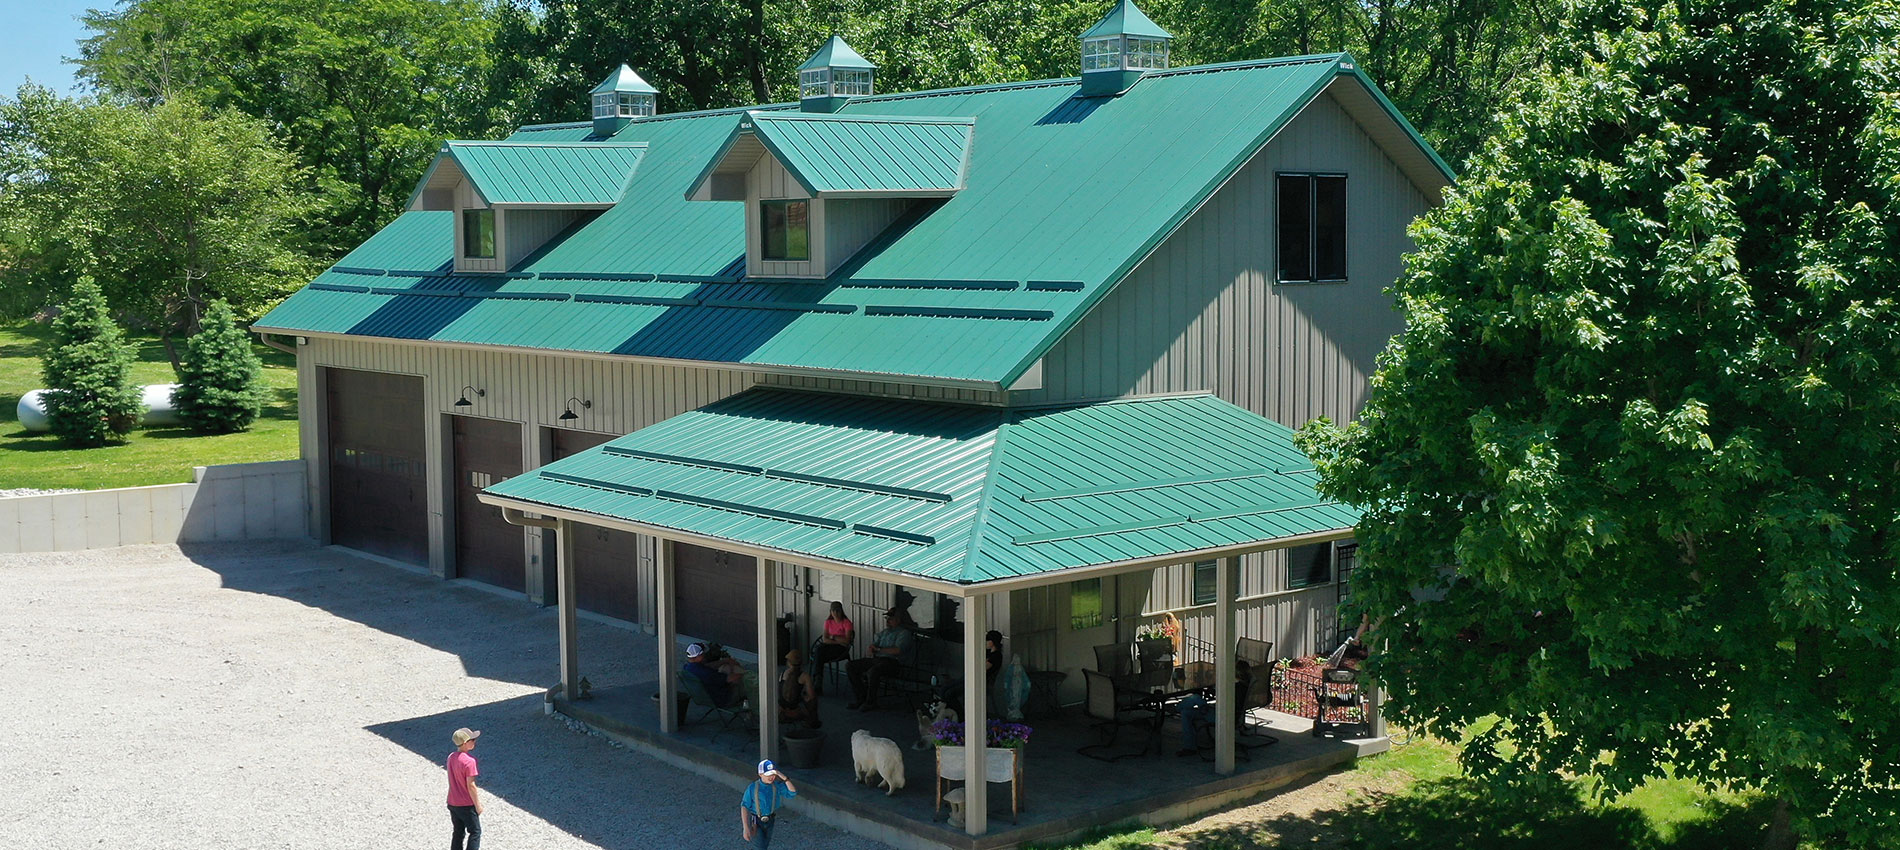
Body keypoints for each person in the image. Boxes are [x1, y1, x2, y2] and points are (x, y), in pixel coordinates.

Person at [845, 609, 915, 710]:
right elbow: (875, 644)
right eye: (887, 618)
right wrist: (872, 647)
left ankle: (871, 702)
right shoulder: (884, 632)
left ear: (898, 620)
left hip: (893, 663)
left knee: (874, 671)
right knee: (850, 665)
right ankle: (861, 698)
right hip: (877, 659)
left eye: (890, 619)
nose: (887, 621)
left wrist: (879, 649)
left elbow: (898, 650)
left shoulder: (904, 634)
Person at [739, 759, 798, 849]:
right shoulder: (752, 788)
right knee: (760, 846)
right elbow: (744, 806)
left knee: (765, 844)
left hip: (770, 819)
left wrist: (784, 778)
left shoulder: (776, 786)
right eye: (768, 775)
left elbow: (792, 793)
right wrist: (746, 827)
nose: (771, 777)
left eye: (773, 774)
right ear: (760, 774)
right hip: (756, 820)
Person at [941, 630, 1004, 710]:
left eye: (987, 640)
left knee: (949, 693)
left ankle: (960, 714)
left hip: (980, 682)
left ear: (992, 642)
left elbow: (981, 668)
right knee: (944, 689)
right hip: (971, 678)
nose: (985, 642)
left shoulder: (996, 656)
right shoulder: (988, 653)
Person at [446, 727, 482, 850]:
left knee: (458, 832)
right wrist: (478, 805)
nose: (474, 742)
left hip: (452, 801)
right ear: (466, 743)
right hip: (466, 803)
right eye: (472, 740)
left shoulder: (451, 757)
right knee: (475, 832)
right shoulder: (469, 762)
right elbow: (471, 785)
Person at [809, 601, 855, 693]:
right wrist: (838, 639)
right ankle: (817, 681)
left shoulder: (847, 623)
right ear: (830, 612)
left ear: (841, 611)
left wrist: (833, 637)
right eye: (833, 611)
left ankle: (817, 680)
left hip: (841, 649)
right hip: (828, 646)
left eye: (838, 611)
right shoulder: (828, 622)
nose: (836, 613)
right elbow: (824, 639)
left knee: (819, 653)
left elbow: (847, 641)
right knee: (819, 650)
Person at [684, 642, 746, 708]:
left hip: (706, 698)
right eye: (704, 654)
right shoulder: (707, 674)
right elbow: (730, 678)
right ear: (699, 656)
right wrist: (745, 674)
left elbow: (706, 666)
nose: (705, 655)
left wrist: (725, 661)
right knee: (746, 683)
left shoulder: (688, 668)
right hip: (724, 700)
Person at [779, 648, 820, 728]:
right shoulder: (804, 676)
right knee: (813, 699)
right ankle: (812, 721)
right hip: (795, 712)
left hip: (781, 710)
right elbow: (811, 696)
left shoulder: (782, 673)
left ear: (788, 663)